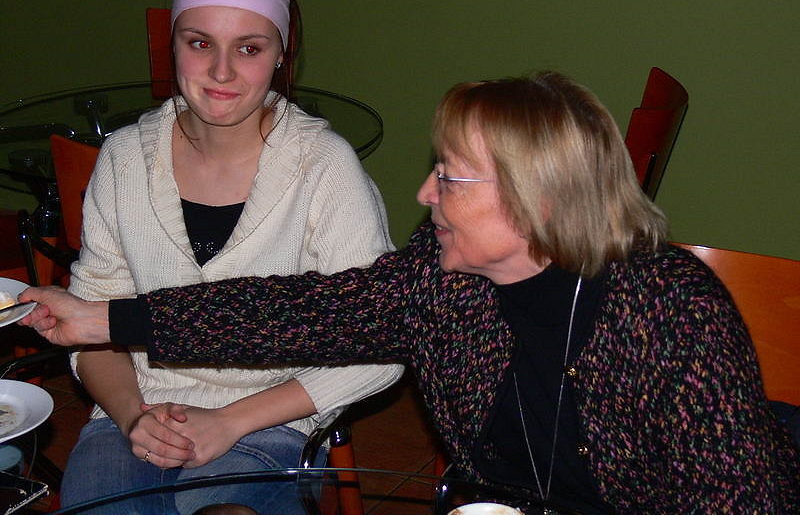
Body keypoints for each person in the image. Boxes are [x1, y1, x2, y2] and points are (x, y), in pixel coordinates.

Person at [22, 72, 799, 513]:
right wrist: (103, 318)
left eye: (450, 177)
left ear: (539, 202)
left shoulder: (671, 313)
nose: (425, 194)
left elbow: (740, 503)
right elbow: (298, 311)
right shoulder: (444, 277)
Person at [44, 0, 402, 514]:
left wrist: (230, 421)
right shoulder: (124, 158)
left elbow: (381, 343)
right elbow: (96, 323)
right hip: (133, 412)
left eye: (249, 48)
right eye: (200, 43)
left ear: (282, 54)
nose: (221, 71)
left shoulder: (323, 168)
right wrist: (134, 415)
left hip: (268, 423)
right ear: (173, 45)